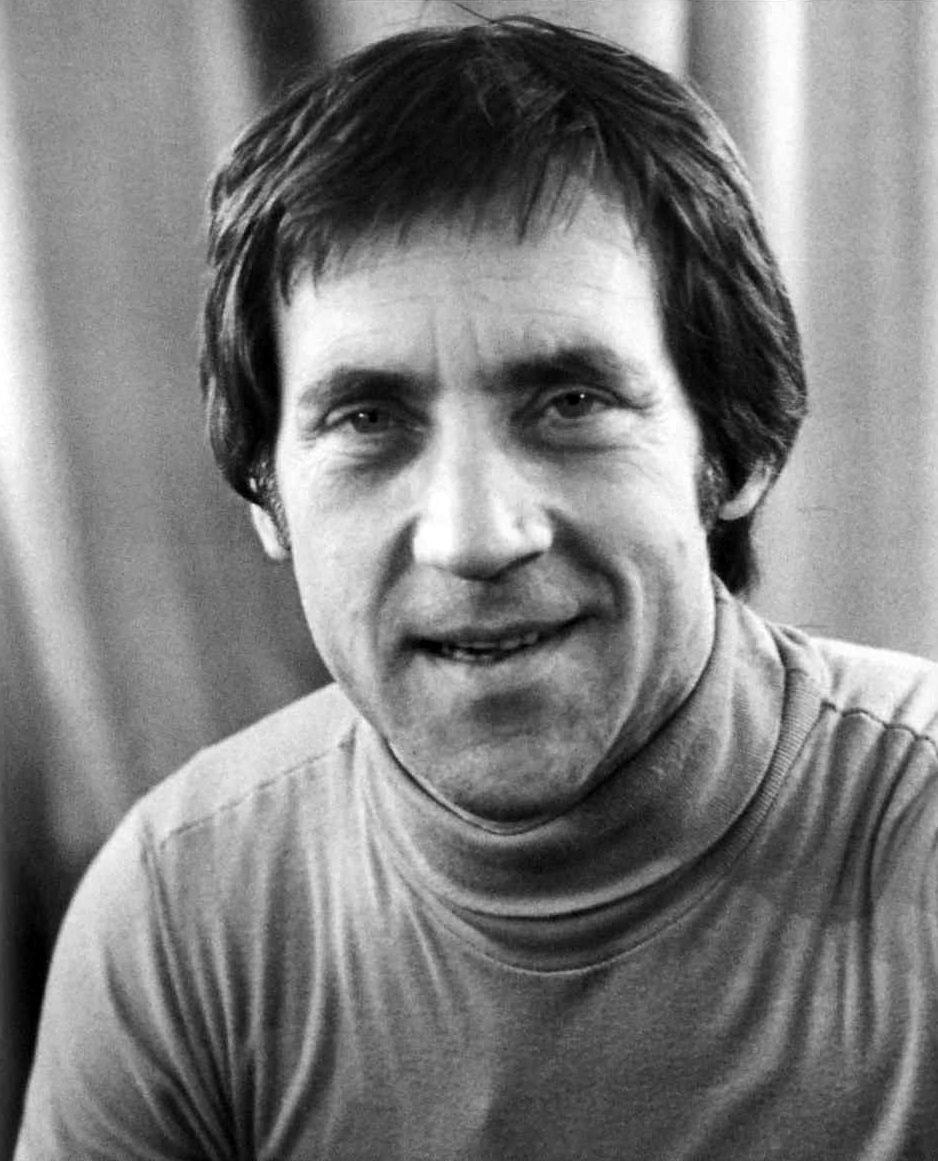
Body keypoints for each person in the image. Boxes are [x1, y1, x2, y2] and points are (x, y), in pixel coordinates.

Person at [14, 16, 938, 1160]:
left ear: (734, 449)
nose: (470, 537)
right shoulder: (176, 913)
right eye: (367, 419)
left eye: (570, 404)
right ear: (265, 495)